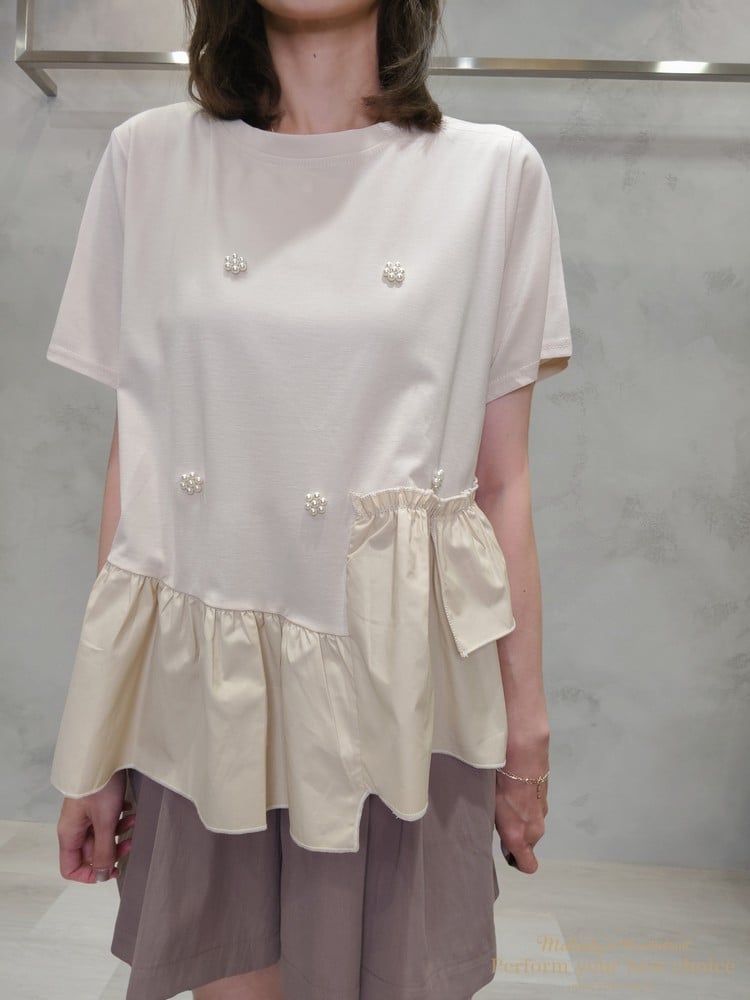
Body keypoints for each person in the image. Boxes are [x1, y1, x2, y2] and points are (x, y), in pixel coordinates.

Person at [47, 1, 572, 998]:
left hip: (403, 693)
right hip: (209, 694)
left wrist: (527, 727)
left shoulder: (491, 175)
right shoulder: (150, 161)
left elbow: (502, 481)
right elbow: (140, 468)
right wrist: (99, 737)